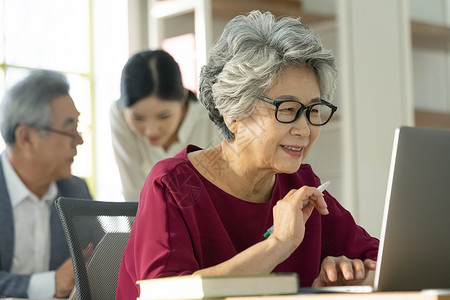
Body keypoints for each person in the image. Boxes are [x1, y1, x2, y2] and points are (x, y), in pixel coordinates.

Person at [116, 11, 379, 299]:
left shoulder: (300, 183)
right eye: (288, 110)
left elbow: (384, 260)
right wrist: (277, 243)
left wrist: (355, 273)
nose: (304, 129)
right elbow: (167, 294)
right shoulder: (171, 185)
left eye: (313, 111)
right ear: (234, 114)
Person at [0, 70, 92, 299]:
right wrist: (50, 284)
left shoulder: (76, 192)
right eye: (70, 130)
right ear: (27, 138)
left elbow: (96, 268)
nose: (79, 141)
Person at [110, 49, 221, 202]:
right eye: (138, 118)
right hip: (149, 221)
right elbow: (133, 191)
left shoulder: (212, 120)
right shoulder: (119, 114)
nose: (151, 130)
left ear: (183, 97)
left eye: (163, 116)